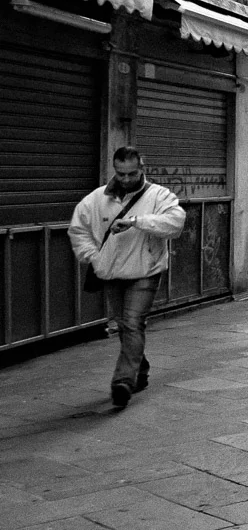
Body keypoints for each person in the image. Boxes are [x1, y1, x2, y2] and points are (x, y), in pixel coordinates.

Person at [68, 147, 185, 408]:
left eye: (132, 174)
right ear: (114, 169)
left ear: (142, 168)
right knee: (123, 325)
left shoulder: (159, 195)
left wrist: (136, 221)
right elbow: (78, 230)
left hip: (145, 271)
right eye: (120, 174)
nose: (126, 179)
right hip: (111, 272)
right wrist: (93, 256)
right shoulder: (97, 199)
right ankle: (139, 369)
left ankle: (123, 382)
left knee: (132, 322)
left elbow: (175, 224)